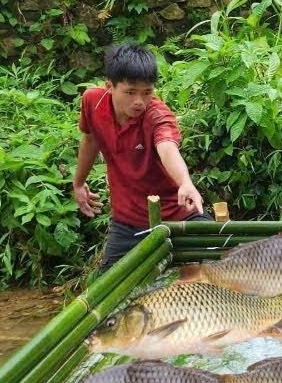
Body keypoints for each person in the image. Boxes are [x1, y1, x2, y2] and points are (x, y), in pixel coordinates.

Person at [72, 42, 208, 272]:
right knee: (107, 291)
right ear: (110, 87)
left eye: (147, 92)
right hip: (128, 222)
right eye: (130, 92)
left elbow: (167, 147)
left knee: (218, 276)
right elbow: (90, 139)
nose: (139, 101)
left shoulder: (158, 115)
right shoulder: (92, 101)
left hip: (177, 217)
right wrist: (78, 182)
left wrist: (185, 182)